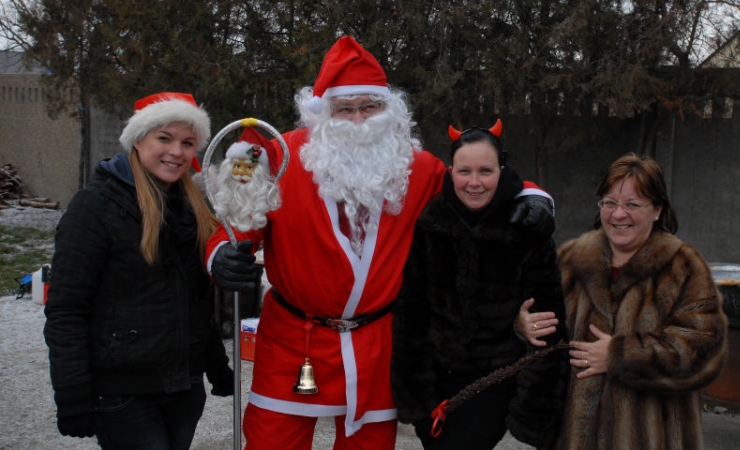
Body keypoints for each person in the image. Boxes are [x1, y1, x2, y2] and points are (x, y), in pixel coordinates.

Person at [206, 36, 556, 449]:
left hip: (376, 346)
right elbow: (234, 220)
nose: (358, 119)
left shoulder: (416, 168)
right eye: (345, 108)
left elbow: (475, 186)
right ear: (322, 113)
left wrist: (530, 194)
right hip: (294, 341)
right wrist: (221, 257)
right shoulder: (277, 155)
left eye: (369, 107)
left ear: (388, 110)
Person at [44, 93, 234, 450]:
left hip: (184, 390)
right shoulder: (96, 207)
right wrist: (71, 394)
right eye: (164, 138)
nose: (176, 152)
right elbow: (66, 308)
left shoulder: (190, 209)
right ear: (139, 139)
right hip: (124, 394)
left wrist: (216, 368)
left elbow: (195, 300)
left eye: (187, 143)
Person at [390, 121, 568, 450]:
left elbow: (549, 326)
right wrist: (413, 394)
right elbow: (411, 313)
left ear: (502, 168)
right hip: (435, 384)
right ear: (450, 171)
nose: (474, 183)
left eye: (485, 171)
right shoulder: (432, 220)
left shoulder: (525, 226)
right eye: (464, 171)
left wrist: (532, 412)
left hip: (496, 383)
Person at [552, 152, 728, 449]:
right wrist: (526, 325)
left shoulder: (683, 266)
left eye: (633, 205)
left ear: (657, 209)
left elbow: (701, 350)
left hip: (654, 437)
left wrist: (620, 355)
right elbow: (545, 330)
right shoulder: (571, 259)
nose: (618, 215)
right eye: (610, 203)